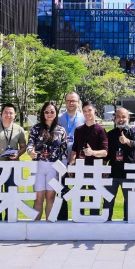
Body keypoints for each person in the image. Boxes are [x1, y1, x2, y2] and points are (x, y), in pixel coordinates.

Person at [0, 103, 27, 221]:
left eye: (11, 113)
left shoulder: (19, 129)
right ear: (1, 114)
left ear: (15, 115)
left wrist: (18, 153)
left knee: (11, 196)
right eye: (6, 112)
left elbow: (23, 147)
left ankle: (10, 221)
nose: (8, 115)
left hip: (13, 167)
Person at [25, 101, 68, 220]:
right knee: (38, 198)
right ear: (43, 113)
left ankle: (49, 226)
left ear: (56, 113)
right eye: (47, 112)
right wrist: (30, 152)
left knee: (50, 197)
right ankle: (35, 225)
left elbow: (64, 151)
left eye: (52, 112)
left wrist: (63, 169)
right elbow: (30, 144)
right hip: (38, 165)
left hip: (54, 167)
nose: (49, 114)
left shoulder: (61, 130)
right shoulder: (36, 128)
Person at [69, 102, 109, 218]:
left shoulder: (100, 130)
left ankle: (94, 222)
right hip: (80, 169)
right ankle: (78, 220)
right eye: (85, 111)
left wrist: (92, 153)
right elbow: (74, 150)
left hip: (95, 170)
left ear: (95, 111)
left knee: (94, 197)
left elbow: (105, 152)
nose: (87, 113)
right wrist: (71, 163)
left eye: (89, 110)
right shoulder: (78, 130)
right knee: (79, 197)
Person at [103, 107, 135, 221]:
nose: (121, 119)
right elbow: (107, 154)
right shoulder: (110, 134)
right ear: (115, 119)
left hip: (128, 174)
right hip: (112, 173)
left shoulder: (133, 133)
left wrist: (126, 141)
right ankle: (105, 222)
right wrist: (103, 168)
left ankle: (131, 224)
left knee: (130, 202)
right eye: (118, 117)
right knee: (108, 200)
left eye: (123, 117)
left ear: (128, 118)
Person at [56, 91, 85, 220]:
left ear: (78, 102)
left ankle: (79, 217)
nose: (71, 103)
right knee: (61, 190)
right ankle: (62, 219)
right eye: (68, 101)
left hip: (79, 160)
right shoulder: (59, 118)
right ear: (65, 102)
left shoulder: (84, 118)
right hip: (61, 160)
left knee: (80, 189)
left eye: (73, 101)